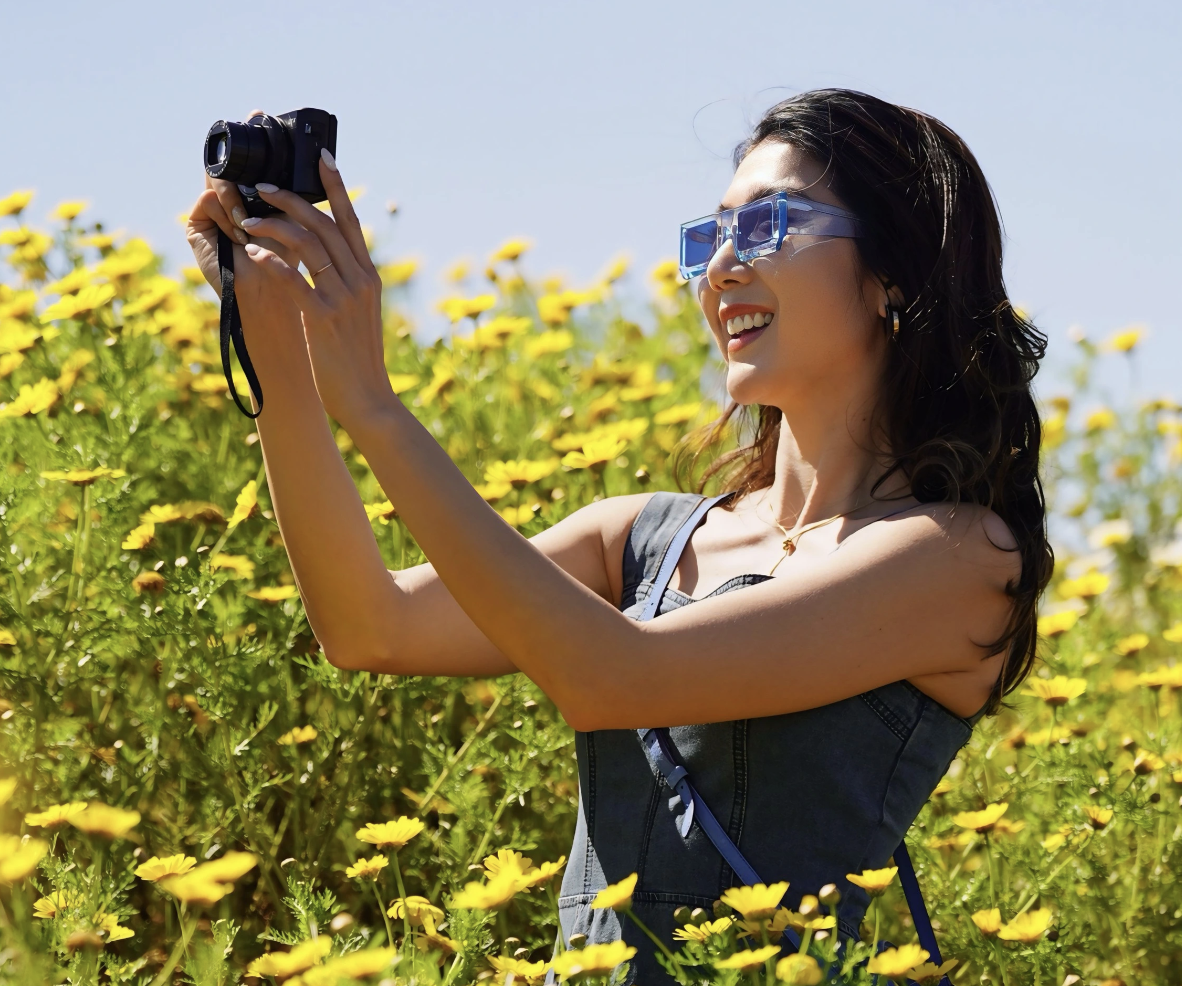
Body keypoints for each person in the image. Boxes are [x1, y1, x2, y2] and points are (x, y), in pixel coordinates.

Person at [186, 88, 1052, 983]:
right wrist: (278, 355)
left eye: (766, 227)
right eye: (709, 238)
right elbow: (369, 625)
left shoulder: (956, 557)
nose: (719, 269)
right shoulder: (644, 538)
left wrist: (372, 403)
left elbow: (614, 677)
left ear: (892, 274)